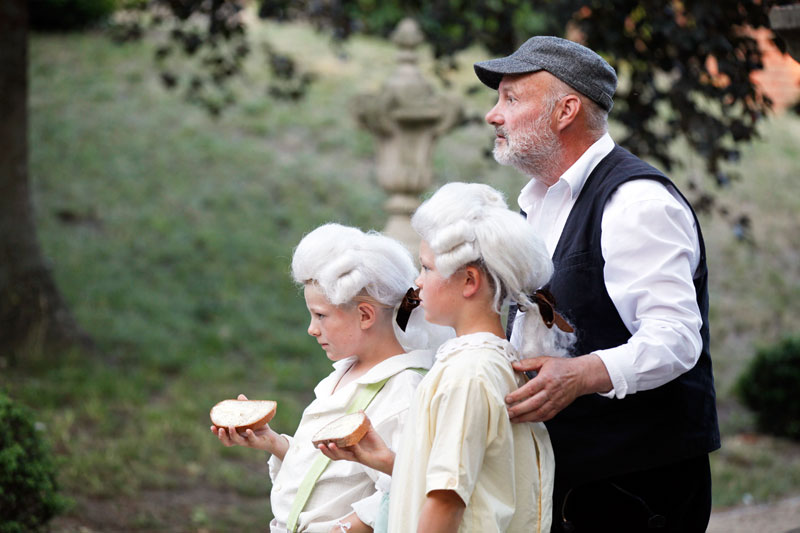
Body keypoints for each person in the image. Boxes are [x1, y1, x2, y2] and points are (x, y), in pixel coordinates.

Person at [472, 36, 721, 532]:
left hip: (635, 487)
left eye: (511, 98)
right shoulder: (537, 202)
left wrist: (582, 374)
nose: (492, 115)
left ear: (566, 110)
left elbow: (674, 337)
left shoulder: (636, 202)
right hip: (569, 481)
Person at [320, 182, 570, 532]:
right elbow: (474, 477)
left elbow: (446, 499)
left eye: (426, 268)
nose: (417, 283)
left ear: (469, 281)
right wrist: (397, 462)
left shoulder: (468, 374)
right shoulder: (488, 364)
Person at [211, 223, 445, 533]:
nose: (312, 328)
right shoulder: (344, 374)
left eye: (321, 315)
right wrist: (276, 444)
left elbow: (400, 488)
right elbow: (332, 471)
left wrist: (341, 529)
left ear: (365, 315)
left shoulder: (403, 391)